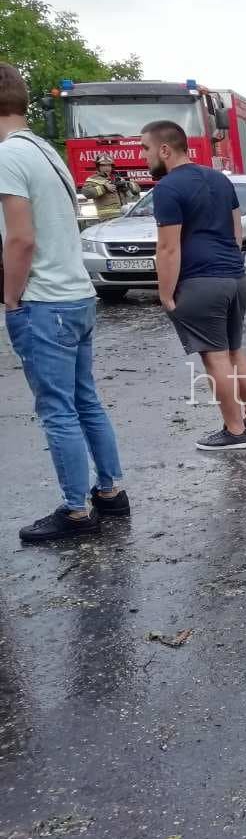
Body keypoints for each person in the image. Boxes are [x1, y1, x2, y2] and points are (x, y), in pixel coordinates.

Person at [0, 62, 128, 542]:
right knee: (85, 400)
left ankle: (76, 512)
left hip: (43, 301)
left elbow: (21, 240)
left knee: (57, 409)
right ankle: (111, 492)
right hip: (76, 296)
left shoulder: (8, 156)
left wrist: (11, 299)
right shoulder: (44, 150)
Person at [142, 119, 246, 451]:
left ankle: (234, 430)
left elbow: (169, 248)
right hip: (235, 277)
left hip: (201, 282)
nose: (144, 156)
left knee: (215, 358)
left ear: (165, 149)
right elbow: (237, 232)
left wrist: (166, 293)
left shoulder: (167, 188)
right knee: (235, 350)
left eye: (146, 148)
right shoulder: (220, 180)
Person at [80, 154, 140, 222]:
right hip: (107, 218)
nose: (107, 168)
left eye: (109, 165)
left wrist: (130, 187)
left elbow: (135, 197)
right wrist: (104, 188)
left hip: (124, 216)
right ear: (98, 167)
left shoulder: (117, 178)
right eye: (103, 165)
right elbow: (87, 193)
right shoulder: (92, 179)